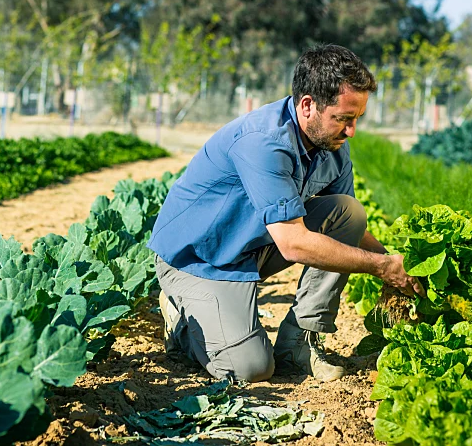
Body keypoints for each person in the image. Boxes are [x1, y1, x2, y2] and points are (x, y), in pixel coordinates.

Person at [147, 43, 424, 383]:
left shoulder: (332, 146)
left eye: (357, 119)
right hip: (199, 260)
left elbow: (346, 225)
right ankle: (183, 324)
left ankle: (299, 344)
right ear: (308, 105)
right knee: (252, 368)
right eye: (344, 118)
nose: (352, 130)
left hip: (251, 247)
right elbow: (294, 244)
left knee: (347, 212)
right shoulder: (263, 142)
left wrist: (395, 266)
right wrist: (381, 267)